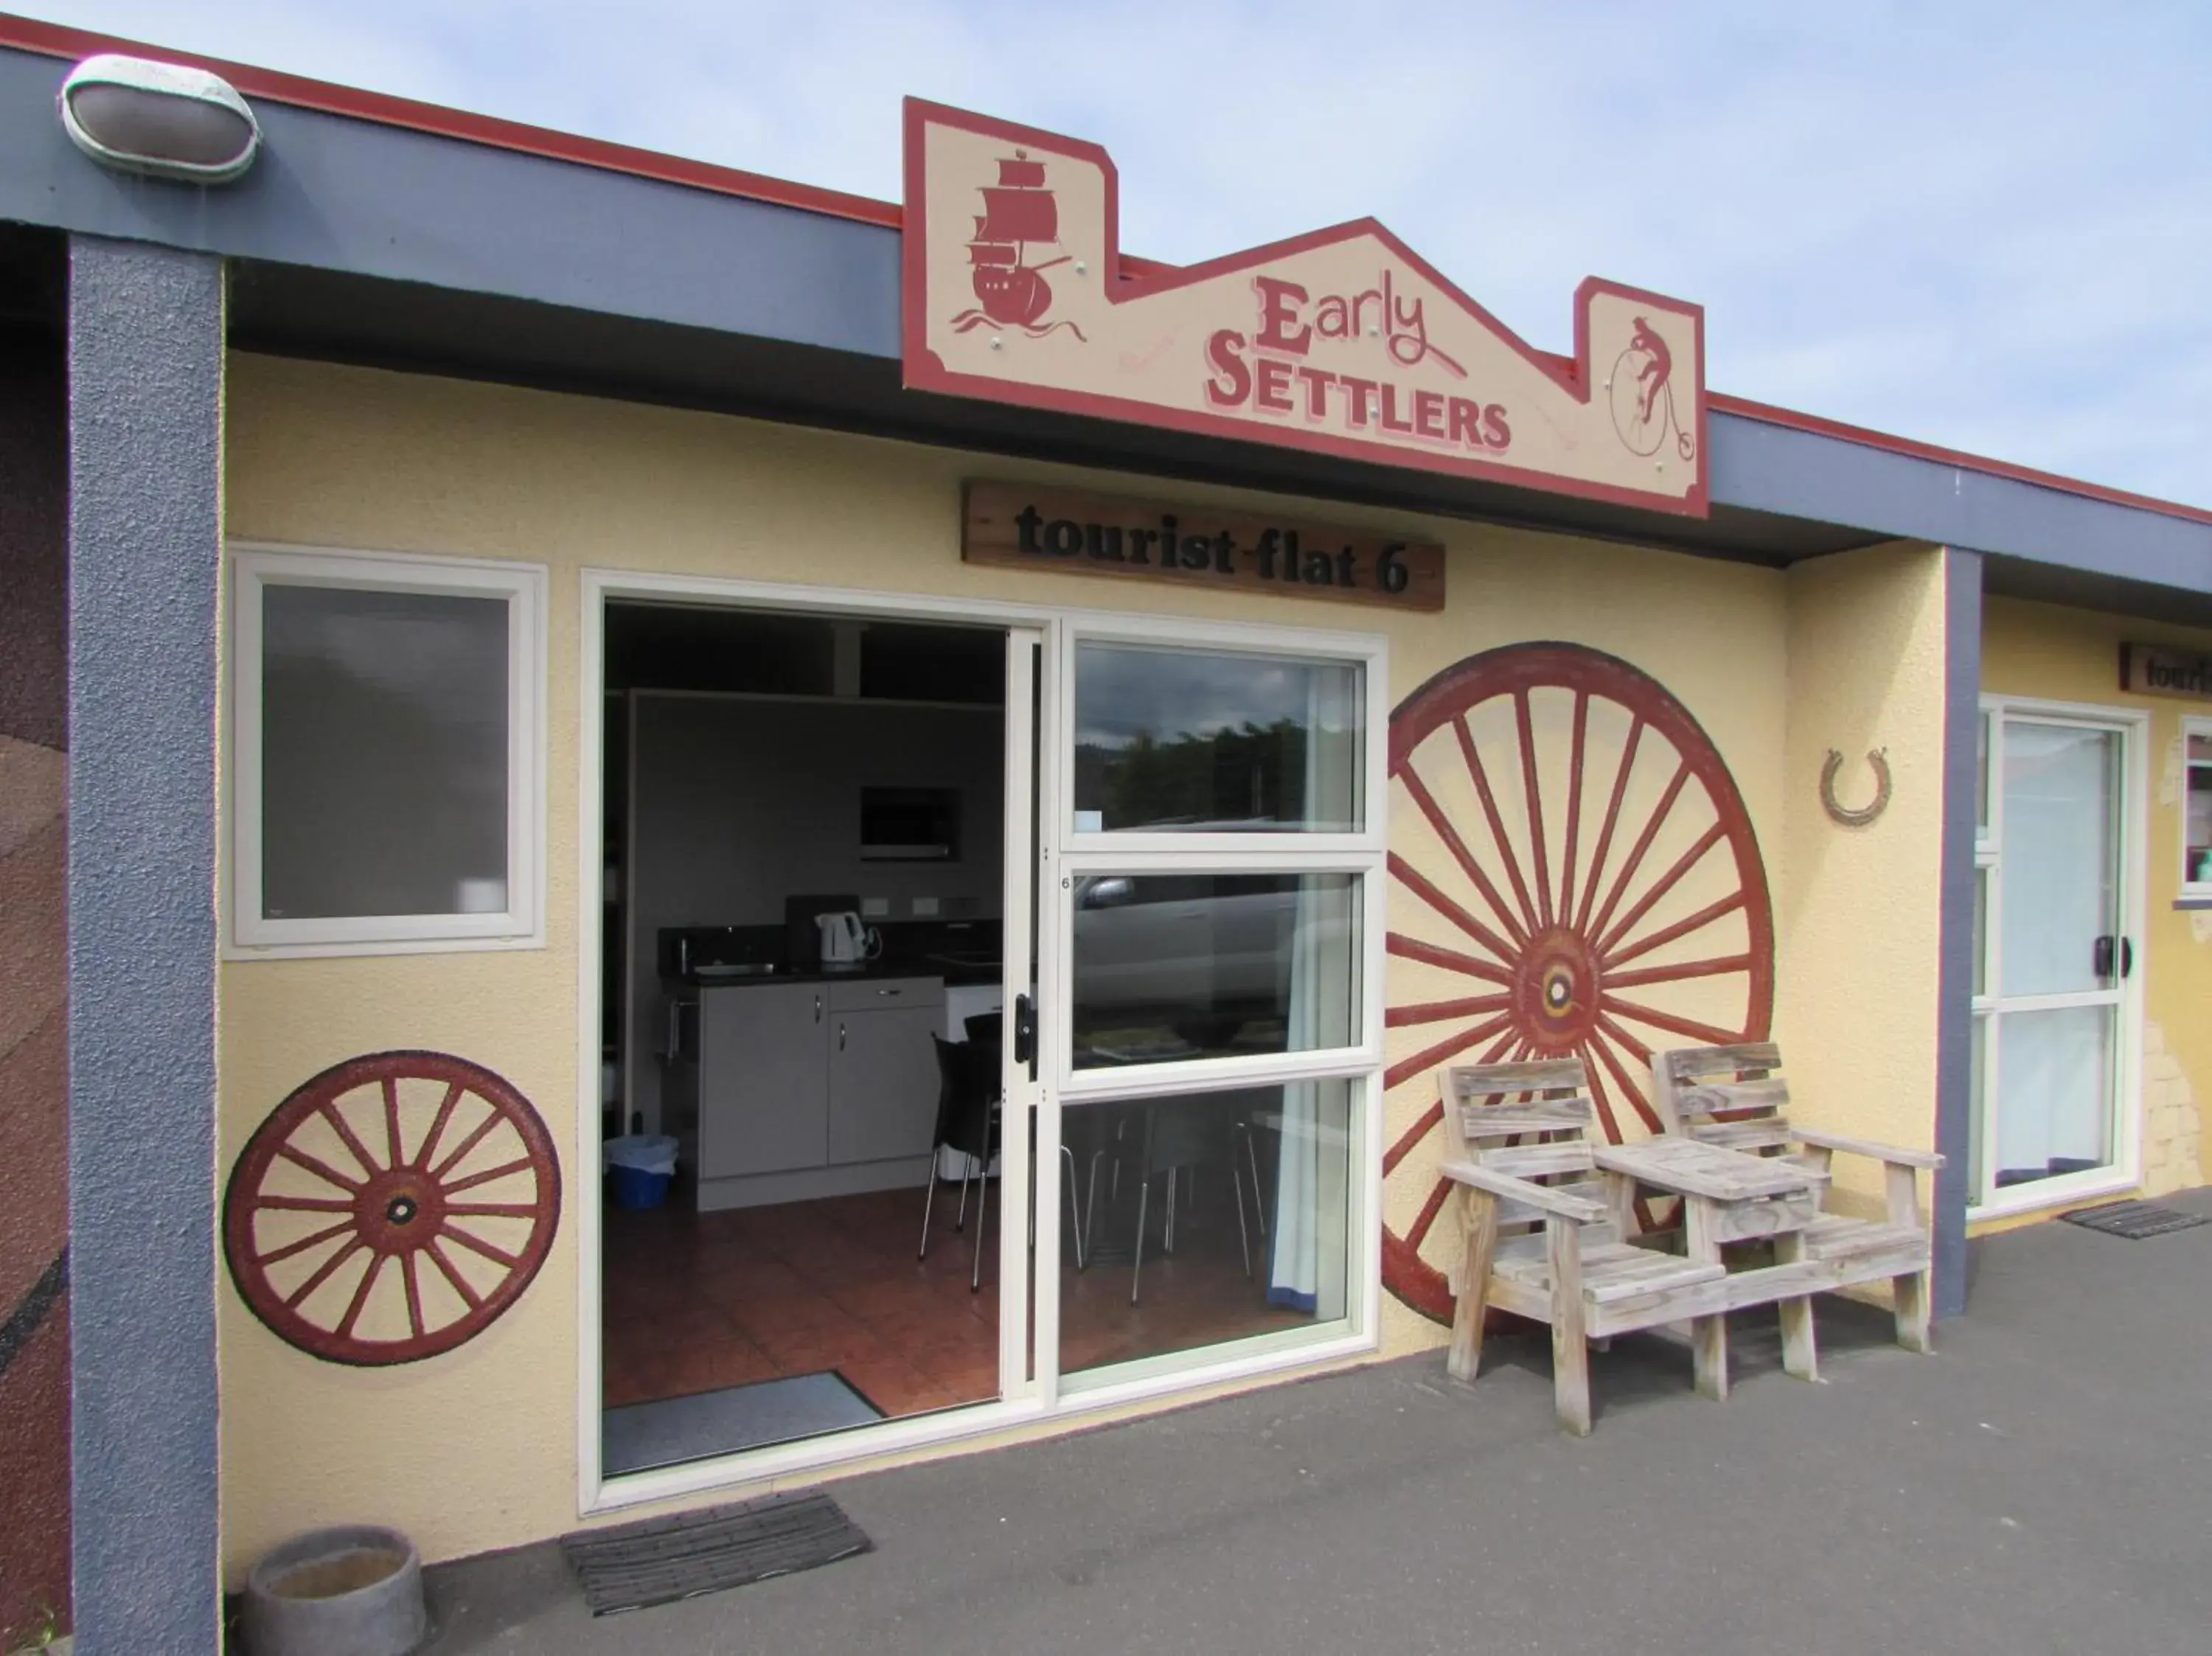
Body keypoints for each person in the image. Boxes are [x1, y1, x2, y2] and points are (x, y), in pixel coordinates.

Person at [1630, 316, 1671, 423]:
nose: (1636, 328)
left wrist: (1635, 344)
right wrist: (1634, 340)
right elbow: (1639, 338)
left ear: (1641, 325)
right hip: (1662, 363)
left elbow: (1641, 346)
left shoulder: (1649, 336)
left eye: (1637, 326)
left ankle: (1647, 416)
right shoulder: (1648, 334)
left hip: (1664, 364)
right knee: (1650, 366)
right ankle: (1643, 376)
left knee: (1651, 392)